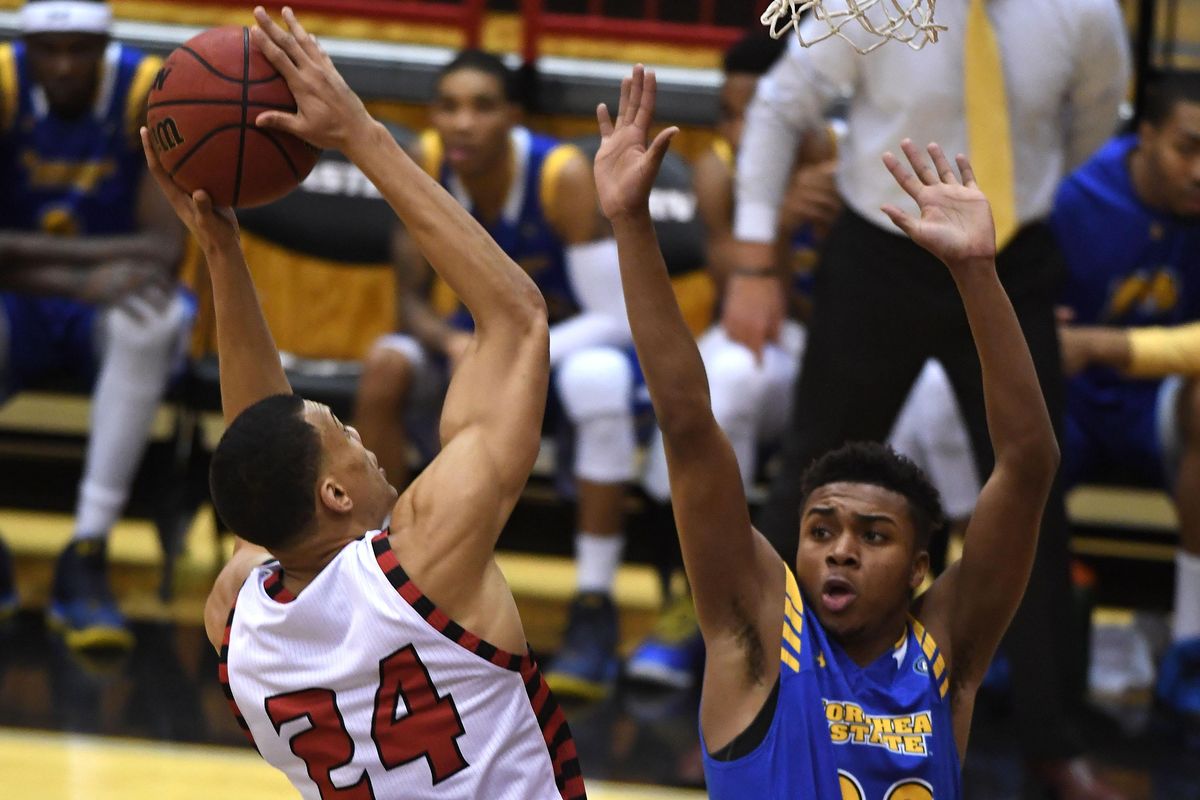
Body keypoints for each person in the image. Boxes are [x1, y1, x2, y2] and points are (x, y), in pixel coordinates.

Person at [595, 63, 1057, 798]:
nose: (840, 550)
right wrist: (630, 222)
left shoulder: (945, 650)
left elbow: (1028, 463)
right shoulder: (756, 635)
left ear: (918, 569)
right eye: (820, 530)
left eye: (873, 536)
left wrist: (976, 274)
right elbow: (686, 422)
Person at [728, 3, 1131, 794]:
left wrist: (1015, 190)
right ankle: (755, 708)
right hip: (882, 249)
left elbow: (1092, 121)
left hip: (1008, 251)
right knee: (807, 483)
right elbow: (781, 103)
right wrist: (751, 257)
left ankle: (1053, 744)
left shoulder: (1085, 9)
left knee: (1035, 497)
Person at [182, 9, 584, 799]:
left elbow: (261, 451)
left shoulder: (237, 621)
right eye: (343, 435)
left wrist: (223, 251)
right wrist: (361, 134)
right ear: (333, 494)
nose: (363, 436)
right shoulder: (426, 564)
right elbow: (515, 317)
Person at [627, 31, 980, 691]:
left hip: (863, 357)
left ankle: (946, 619)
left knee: (936, 404)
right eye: (731, 114)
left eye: (756, 109)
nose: (744, 126)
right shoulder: (720, 172)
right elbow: (730, 273)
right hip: (783, 346)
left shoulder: (865, 162)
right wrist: (782, 223)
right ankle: (689, 602)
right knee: (725, 384)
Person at [351, 49, 645, 701]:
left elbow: (614, 317)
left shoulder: (560, 177)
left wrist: (506, 352)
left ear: (512, 117)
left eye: (482, 106)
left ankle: (594, 605)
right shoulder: (426, 167)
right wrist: (452, 343)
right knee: (384, 366)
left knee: (599, 379)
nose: (462, 123)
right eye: (449, 106)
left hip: (571, 350)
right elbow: (409, 304)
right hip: (473, 352)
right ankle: (379, 576)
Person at [0, 0, 189, 651]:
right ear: (25, 49)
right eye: (48, 51)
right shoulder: (2, 83)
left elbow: (162, 251)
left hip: (104, 310)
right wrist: (85, 273)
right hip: (29, 302)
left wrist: (27, 256)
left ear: (104, 46)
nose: (63, 65)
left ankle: (87, 551)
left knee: (152, 319)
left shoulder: (147, 90)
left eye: (80, 49)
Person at [1052, 70, 1200, 719]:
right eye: (1187, 148)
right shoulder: (1072, 194)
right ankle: (1012, 630)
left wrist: (1102, 345)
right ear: (1144, 137)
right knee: (997, 405)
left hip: (1163, 405)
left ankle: (1192, 642)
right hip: (1072, 401)